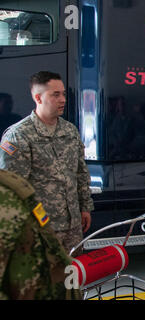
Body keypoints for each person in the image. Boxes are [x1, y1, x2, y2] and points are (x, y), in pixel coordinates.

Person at [0, 71, 94, 255]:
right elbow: (12, 189)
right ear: (38, 98)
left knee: (72, 278)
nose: (63, 100)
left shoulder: (69, 130)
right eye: (55, 94)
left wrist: (85, 207)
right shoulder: (19, 136)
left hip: (73, 226)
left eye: (64, 94)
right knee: (45, 281)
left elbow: (80, 173)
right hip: (41, 228)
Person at [0, 169, 80, 299]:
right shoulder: (12, 196)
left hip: (67, 219)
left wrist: (86, 206)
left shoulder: (12, 193)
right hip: (50, 219)